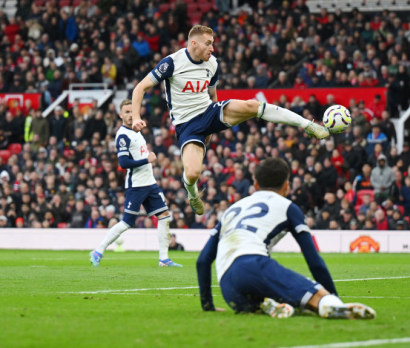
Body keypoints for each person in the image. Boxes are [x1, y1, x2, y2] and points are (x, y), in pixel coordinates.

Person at [131, 25, 329, 216]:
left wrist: (213, 125)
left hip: (209, 111)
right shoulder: (171, 63)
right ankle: (193, 195)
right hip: (187, 125)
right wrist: (137, 117)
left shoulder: (212, 63)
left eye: (213, 43)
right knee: (192, 174)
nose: (212, 48)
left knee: (252, 106)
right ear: (193, 43)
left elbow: (212, 93)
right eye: (208, 43)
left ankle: (308, 124)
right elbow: (139, 88)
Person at [196, 157, 375, 319]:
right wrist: (332, 295)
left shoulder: (233, 209)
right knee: (317, 297)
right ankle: (331, 306)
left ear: (255, 184)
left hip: (228, 286)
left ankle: (265, 305)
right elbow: (314, 261)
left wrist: (207, 306)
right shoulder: (288, 207)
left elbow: (203, 261)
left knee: (280, 299)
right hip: (253, 264)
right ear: (287, 185)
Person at [90, 100, 181, 268]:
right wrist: (147, 159)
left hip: (150, 183)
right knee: (127, 222)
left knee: (164, 217)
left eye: (132, 111)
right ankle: (98, 250)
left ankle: (164, 259)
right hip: (137, 185)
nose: (130, 115)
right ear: (121, 115)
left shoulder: (137, 131)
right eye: (126, 112)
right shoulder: (122, 135)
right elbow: (123, 163)